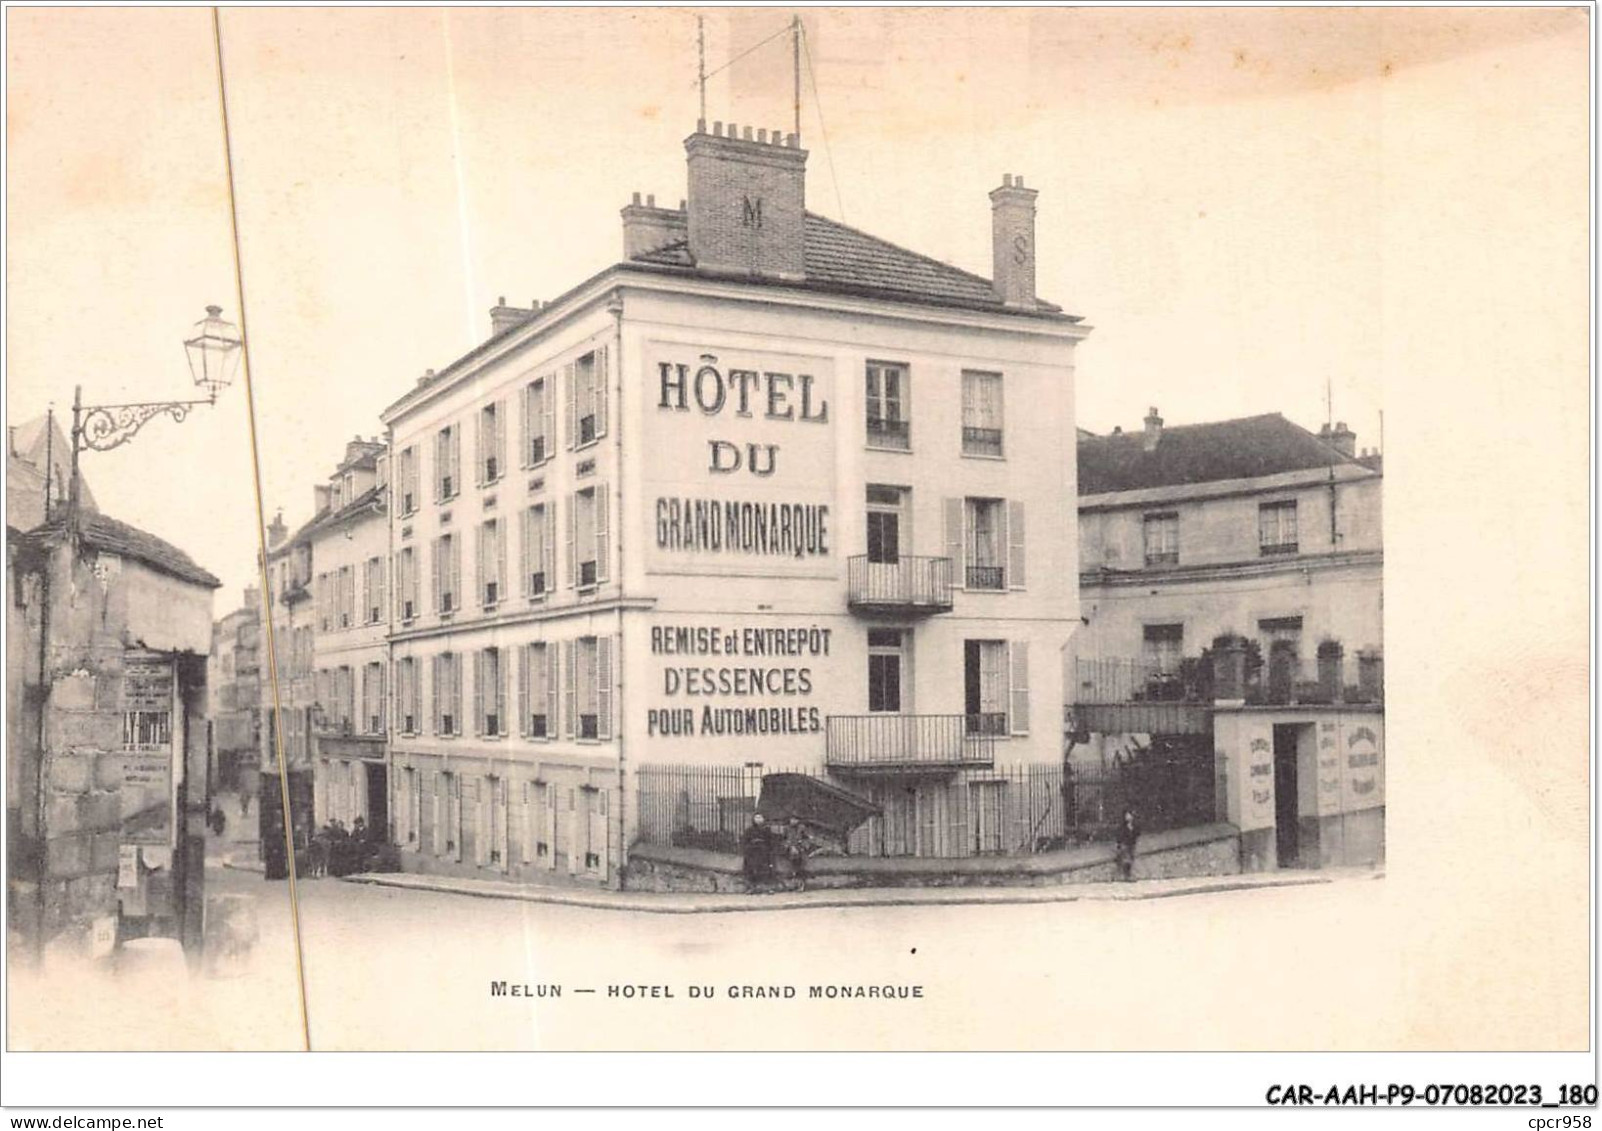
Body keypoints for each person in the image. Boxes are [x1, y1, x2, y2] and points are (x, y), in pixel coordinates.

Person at [740, 813, 776, 891]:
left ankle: (766, 887)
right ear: (753, 819)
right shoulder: (749, 830)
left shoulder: (766, 830)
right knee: (751, 867)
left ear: (763, 819)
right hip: (752, 851)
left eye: (760, 817)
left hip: (763, 851)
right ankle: (752, 886)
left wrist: (768, 848)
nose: (758, 819)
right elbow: (745, 841)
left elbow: (771, 841)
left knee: (766, 867)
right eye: (756, 817)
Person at [783, 818, 816, 891]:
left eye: (795, 819)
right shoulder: (787, 829)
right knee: (793, 866)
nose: (793, 821)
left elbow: (808, 838)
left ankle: (801, 884)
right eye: (792, 819)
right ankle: (794, 883)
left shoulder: (801, 828)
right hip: (791, 850)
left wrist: (803, 846)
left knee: (801, 865)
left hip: (801, 850)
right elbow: (784, 840)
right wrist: (790, 847)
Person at [1115, 809, 1140, 882]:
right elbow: (1119, 836)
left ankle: (1128, 875)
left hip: (1132, 844)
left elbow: (1137, 833)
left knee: (1131, 858)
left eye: (1129, 815)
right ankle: (1127, 876)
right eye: (1126, 816)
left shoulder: (1134, 826)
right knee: (1127, 859)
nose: (1128, 817)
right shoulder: (1122, 827)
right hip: (1125, 844)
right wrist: (1119, 844)